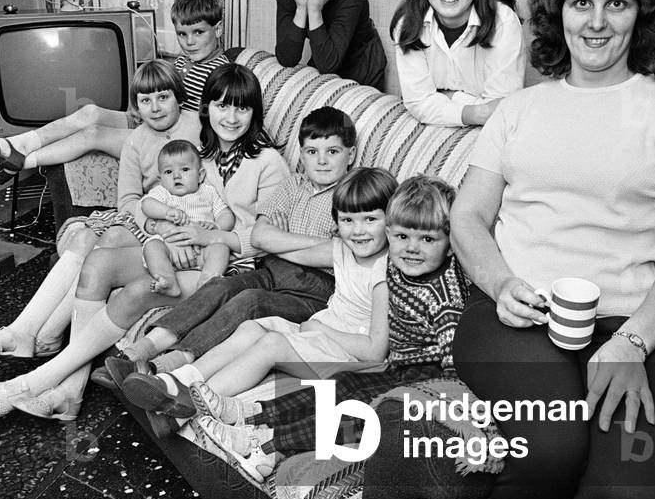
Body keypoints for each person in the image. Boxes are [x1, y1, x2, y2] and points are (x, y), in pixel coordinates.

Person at [448, 0, 655, 499]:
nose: (596, 22)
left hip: (633, 328)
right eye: (582, 3)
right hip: (517, 316)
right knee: (551, 453)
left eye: (616, 3)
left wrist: (633, 343)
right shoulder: (518, 112)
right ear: (559, 13)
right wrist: (499, 284)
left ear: (640, 15)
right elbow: (466, 216)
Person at [0, 62, 289, 420]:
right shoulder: (200, 152)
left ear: (255, 113)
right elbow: (160, 197)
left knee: (136, 291)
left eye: (241, 108)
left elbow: (267, 238)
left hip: (225, 264)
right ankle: (66, 387)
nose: (230, 117)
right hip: (175, 245)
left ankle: (36, 382)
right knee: (98, 263)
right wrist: (166, 231)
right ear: (205, 109)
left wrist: (208, 235)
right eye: (221, 106)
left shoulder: (268, 162)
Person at [186, 175, 471, 482]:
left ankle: (268, 445)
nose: (412, 249)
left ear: (452, 246)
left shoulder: (444, 296)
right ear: (390, 234)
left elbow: (454, 366)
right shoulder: (394, 268)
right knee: (340, 386)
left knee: (355, 410)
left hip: (421, 380)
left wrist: (462, 421)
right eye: (402, 237)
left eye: (427, 240)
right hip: (392, 367)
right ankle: (251, 417)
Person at [119, 168, 397, 441]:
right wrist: (266, 230)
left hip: (348, 362)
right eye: (348, 220)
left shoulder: (382, 274)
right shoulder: (342, 249)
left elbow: (374, 352)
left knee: (273, 343)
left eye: (370, 219)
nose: (358, 231)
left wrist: (320, 328)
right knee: (253, 328)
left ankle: (187, 405)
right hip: (319, 337)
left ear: (391, 221)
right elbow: (275, 244)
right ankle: (175, 380)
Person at [0, 59, 200, 360]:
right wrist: (154, 222)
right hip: (148, 218)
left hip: (181, 219)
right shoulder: (136, 140)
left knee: (105, 241)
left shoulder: (197, 126)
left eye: (164, 97)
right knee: (86, 238)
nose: (156, 107)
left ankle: (40, 335)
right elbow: (127, 201)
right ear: (136, 109)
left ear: (179, 96)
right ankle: (20, 331)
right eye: (146, 101)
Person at [114, 106, 359, 372]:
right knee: (219, 286)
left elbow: (339, 254)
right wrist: (310, 243)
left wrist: (284, 239)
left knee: (250, 300)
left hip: (315, 290)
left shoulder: (354, 195)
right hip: (270, 271)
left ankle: (169, 363)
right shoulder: (292, 185)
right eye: (313, 152)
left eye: (332, 152)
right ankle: (142, 349)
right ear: (302, 154)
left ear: (351, 154)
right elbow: (260, 236)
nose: (321, 161)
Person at [0, 0, 228, 183]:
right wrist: (144, 109)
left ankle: (16, 164)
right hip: (157, 122)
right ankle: (12, 145)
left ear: (217, 29)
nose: (189, 42)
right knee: (90, 112)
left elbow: (205, 128)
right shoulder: (185, 60)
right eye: (182, 34)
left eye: (198, 33)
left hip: (170, 139)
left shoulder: (220, 73)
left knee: (93, 134)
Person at [390, 0, 525, 127]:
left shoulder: (503, 22)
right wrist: (476, 111)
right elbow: (419, 103)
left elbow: (502, 111)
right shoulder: (407, 25)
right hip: (432, 132)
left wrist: (448, 97)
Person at [141, 139, 235, 296]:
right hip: (169, 249)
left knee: (221, 248)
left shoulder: (208, 192)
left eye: (184, 169)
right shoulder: (163, 193)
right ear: (161, 178)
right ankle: (167, 279)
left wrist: (217, 228)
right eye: (168, 172)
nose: (176, 176)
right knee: (152, 247)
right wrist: (166, 212)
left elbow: (226, 215)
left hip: (202, 250)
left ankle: (207, 280)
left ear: (200, 175)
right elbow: (146, 205)